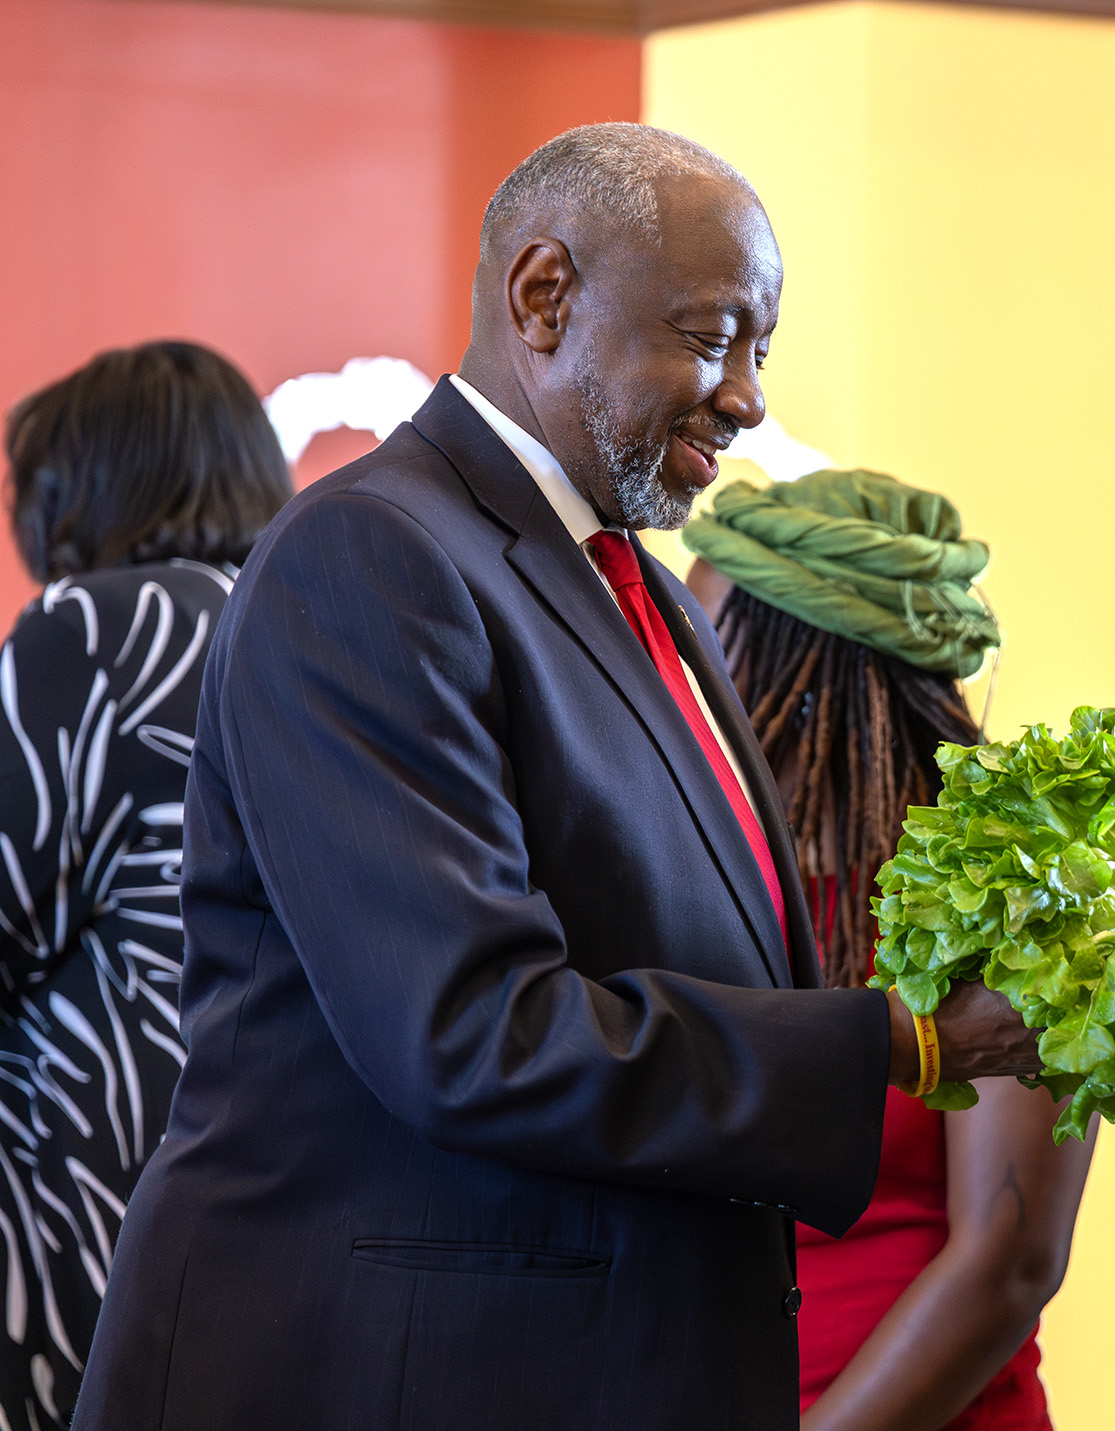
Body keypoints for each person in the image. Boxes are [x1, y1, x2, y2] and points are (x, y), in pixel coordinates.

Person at [74, 123, 1039, 1431]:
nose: (748, 399)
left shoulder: (649, 594)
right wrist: (898, 1037)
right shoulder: (372, 555)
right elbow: (473, 1031)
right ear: (543, 297)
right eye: (713, 338)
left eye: (760, 352)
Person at [680, 469, 1094, 1431]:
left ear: (810, 678)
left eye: (706, 654)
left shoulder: (1008, 896)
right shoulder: (701, 878)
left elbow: (1008, 1262)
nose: (677, 690)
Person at [0, 341, 291, 1429]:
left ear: (91, 487)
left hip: (88, 1208)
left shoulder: (91, 627)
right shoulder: (315, 628)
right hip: (273, 1201)